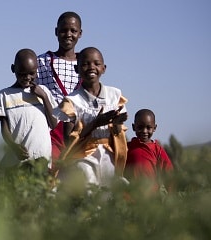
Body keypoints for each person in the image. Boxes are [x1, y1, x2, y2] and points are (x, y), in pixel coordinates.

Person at [56, 47, 128, 189]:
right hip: (82, 156)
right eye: (85, 64)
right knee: (88, 188)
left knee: (108, 193)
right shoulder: (72, 101)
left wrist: (117, 124)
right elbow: (68, 139)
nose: (91, 67)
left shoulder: (114, 95)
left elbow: (119, 134)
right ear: (77, 69)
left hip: (109, 154)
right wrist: (95, 123)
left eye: (96, 63)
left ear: (104, 68)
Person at [0, 48, 57, 169]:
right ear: (13, 69)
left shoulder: (43, 92)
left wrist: (44, 97)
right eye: (22, 74)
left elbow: (53, 124)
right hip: (17, 162)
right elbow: (4, 128)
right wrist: (13, 146)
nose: (27, 77)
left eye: (31, 73)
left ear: (37, 70)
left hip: (41, 159)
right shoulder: (5, 95)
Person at [37, 11, 83, 167]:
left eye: (73, 31)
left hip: (80, 131)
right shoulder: (42, 61)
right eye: (63, 30)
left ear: (80, 33)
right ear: (56, 32)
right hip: (51, 130)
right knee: (52, 177)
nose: (68, 34)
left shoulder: (87, 63)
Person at [124, 109, 174, 192]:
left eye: (148, 127)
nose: (144, 131)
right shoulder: (126, 148)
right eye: (140, 127)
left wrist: (171, 198)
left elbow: (169, 176)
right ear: (133, 127)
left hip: (152, 201)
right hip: (129, 200)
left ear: (154, 128)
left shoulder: (158, 150)